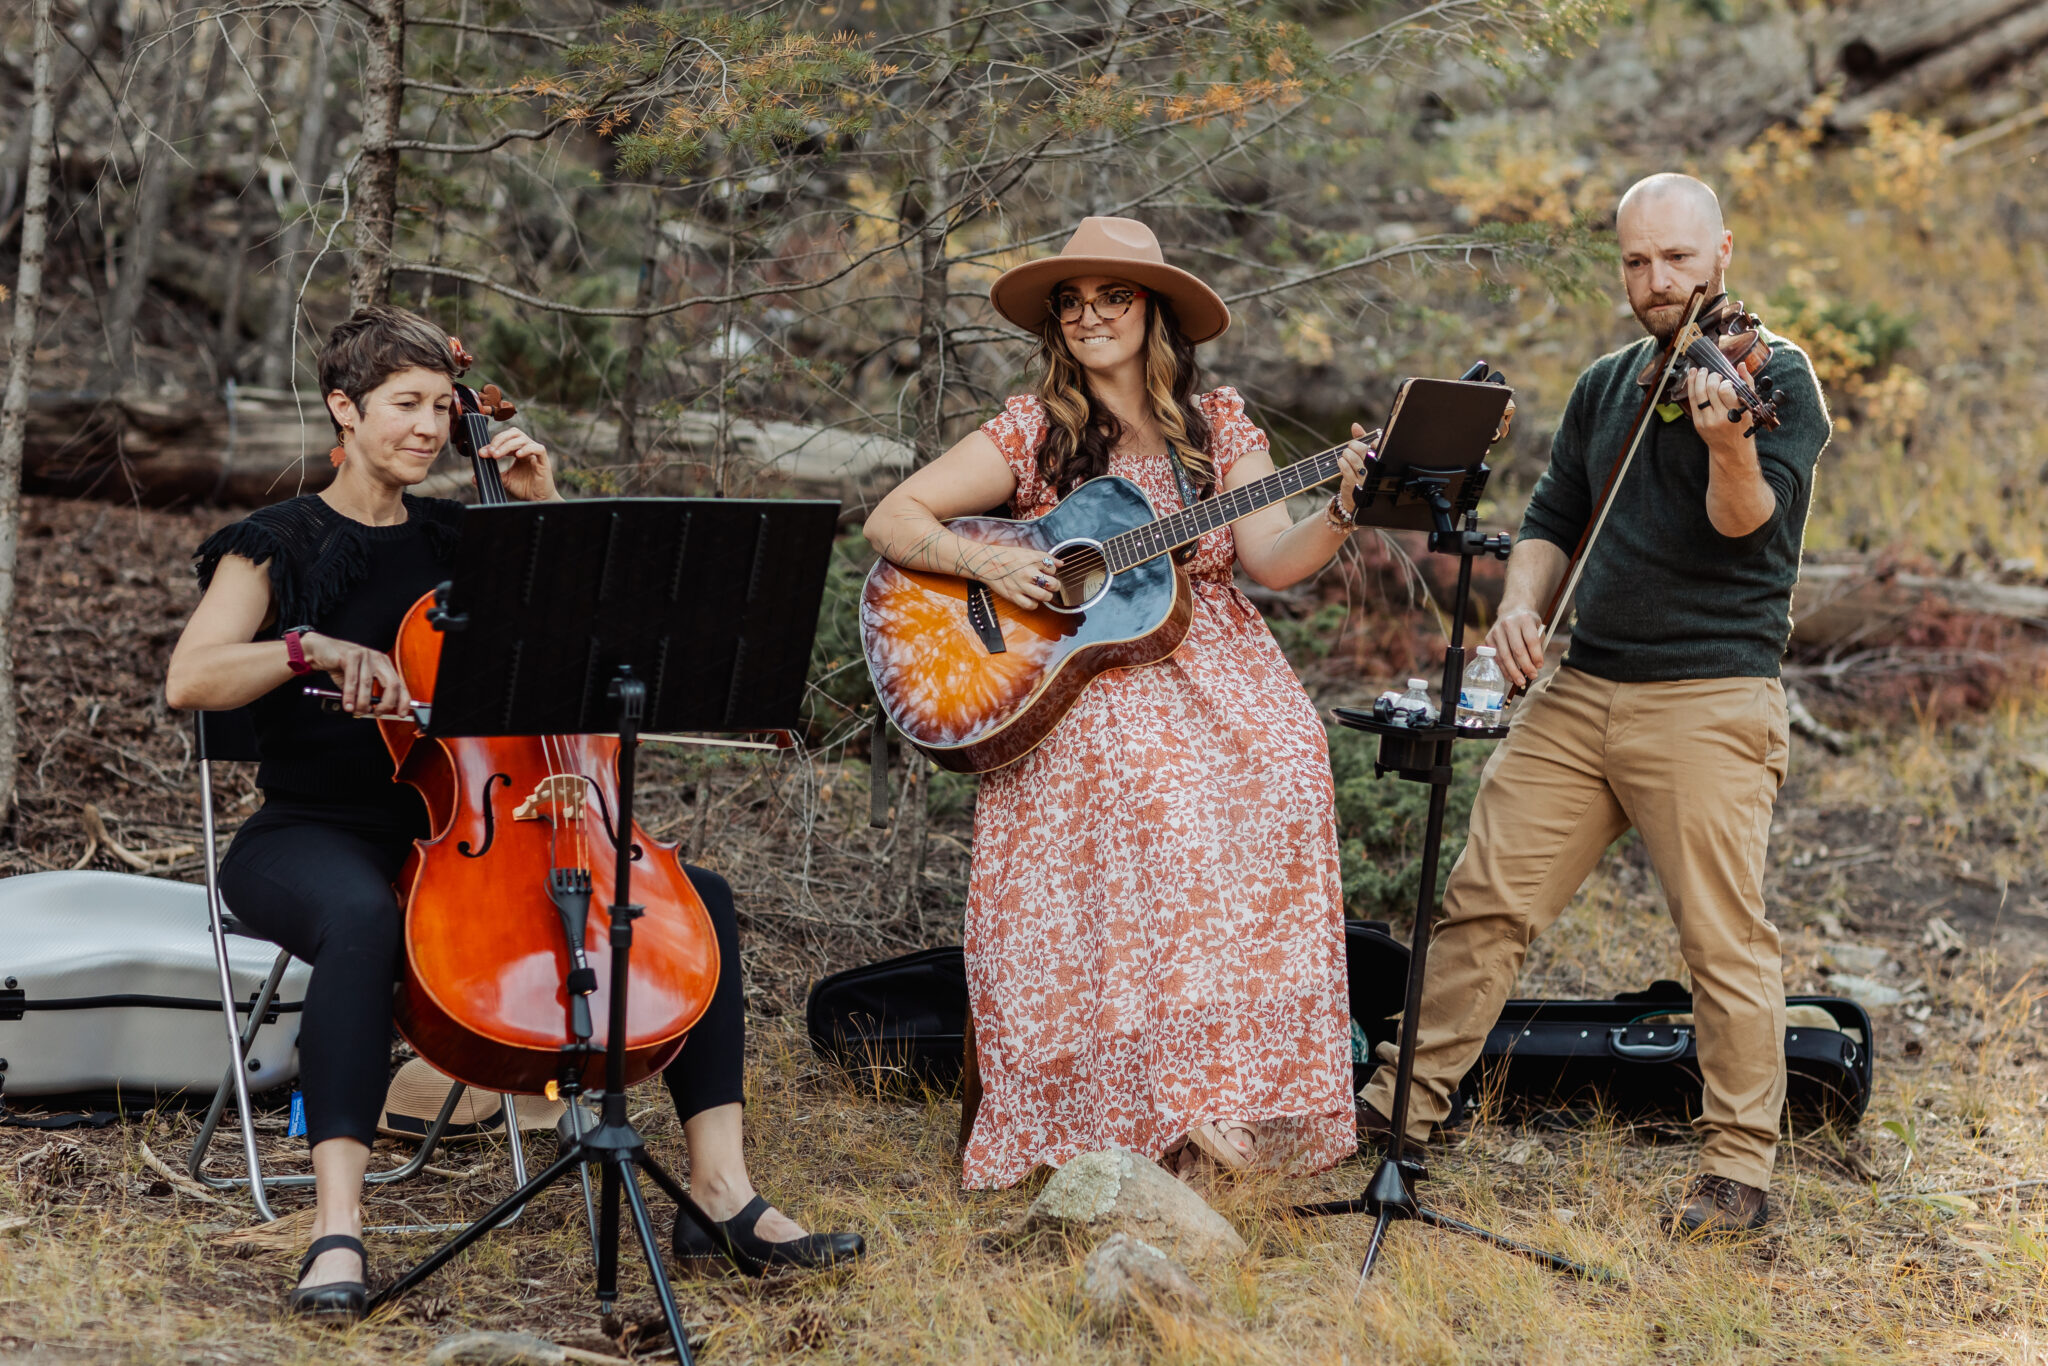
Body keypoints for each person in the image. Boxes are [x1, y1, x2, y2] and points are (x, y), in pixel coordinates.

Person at [165, 306, 861, 1324]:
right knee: (360, 916)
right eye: (403, 404)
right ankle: (337, 1223)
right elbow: (192, 675)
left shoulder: (467, 537)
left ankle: (719, 1190)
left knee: (694, 896)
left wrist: (541, 507)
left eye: (440, 407)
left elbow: (589, 649)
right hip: (314, 836)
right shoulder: (277, 542)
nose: (425, 425)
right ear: (342, 408)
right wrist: (309, 649)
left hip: (474, 831)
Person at [1357, 174, 1833, 1235]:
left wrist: (1724, 442)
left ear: (1720, 254)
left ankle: (1735, 1170)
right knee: (1484, 901)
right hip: (1581, 688)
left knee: (1721, 939)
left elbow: (1745, 525)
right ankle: (1395, 1114)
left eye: (1674, 259)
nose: (1654, 281)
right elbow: (1549, 516)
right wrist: (1521, 609)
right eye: (1634, 261)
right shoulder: (1607, 382)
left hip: (1709, 696)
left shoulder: (1776, 377)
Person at [864, 217, 1374, 1188]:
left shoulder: (1218, 423)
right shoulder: (1032, 430)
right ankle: (1162, 1105)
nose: (1089, 315)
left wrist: (1343, 505)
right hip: (1082, 678)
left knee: (1291, 757)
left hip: (1217, 661)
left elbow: (1267, 557)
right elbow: (894, 518)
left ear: (1154, 312)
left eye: (1113, 296)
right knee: (1158, 789)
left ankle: (1233, 1084)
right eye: (1072, 300)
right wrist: (992, 564)